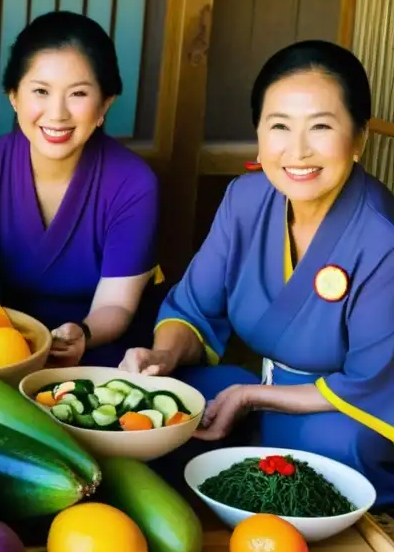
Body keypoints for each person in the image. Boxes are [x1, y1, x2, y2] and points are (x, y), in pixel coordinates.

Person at [120, 39, 394, 505]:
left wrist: (251, 397)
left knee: (343, 444)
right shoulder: (244, 201)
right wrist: (163, 357)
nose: (298, 150)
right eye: (280, 126)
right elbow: (192, 309)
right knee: (155, 407)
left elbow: (371, 382)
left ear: (359, 139)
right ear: (259, 134)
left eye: (322, 127)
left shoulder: (382, 236)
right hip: (257, 390)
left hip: (343, 410)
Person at [0, 11, 161, 368]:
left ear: (105, 103)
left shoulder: (134, 183)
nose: (57, 113)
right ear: (13, 96)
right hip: (0, 348)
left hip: (101, 352)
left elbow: (116, 305)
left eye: (78, 94)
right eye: (40, 91)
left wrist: (83, 335)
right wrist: (23, 350)